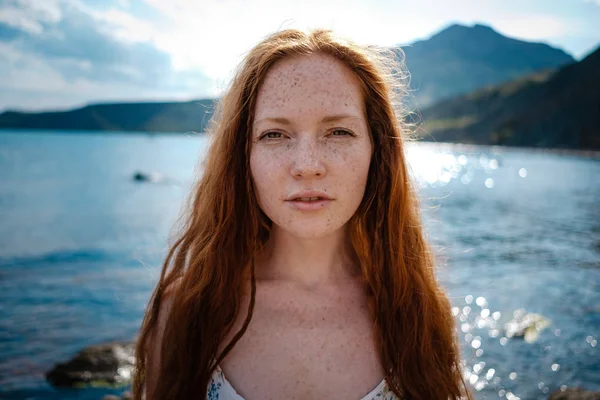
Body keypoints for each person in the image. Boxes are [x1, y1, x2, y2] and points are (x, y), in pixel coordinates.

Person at [132, 28, 471, 400]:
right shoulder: (187, 311)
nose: (307, 166)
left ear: (377, 152)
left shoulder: (414, 310)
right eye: (275, 135)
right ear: (242, 157)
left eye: (338, 132)